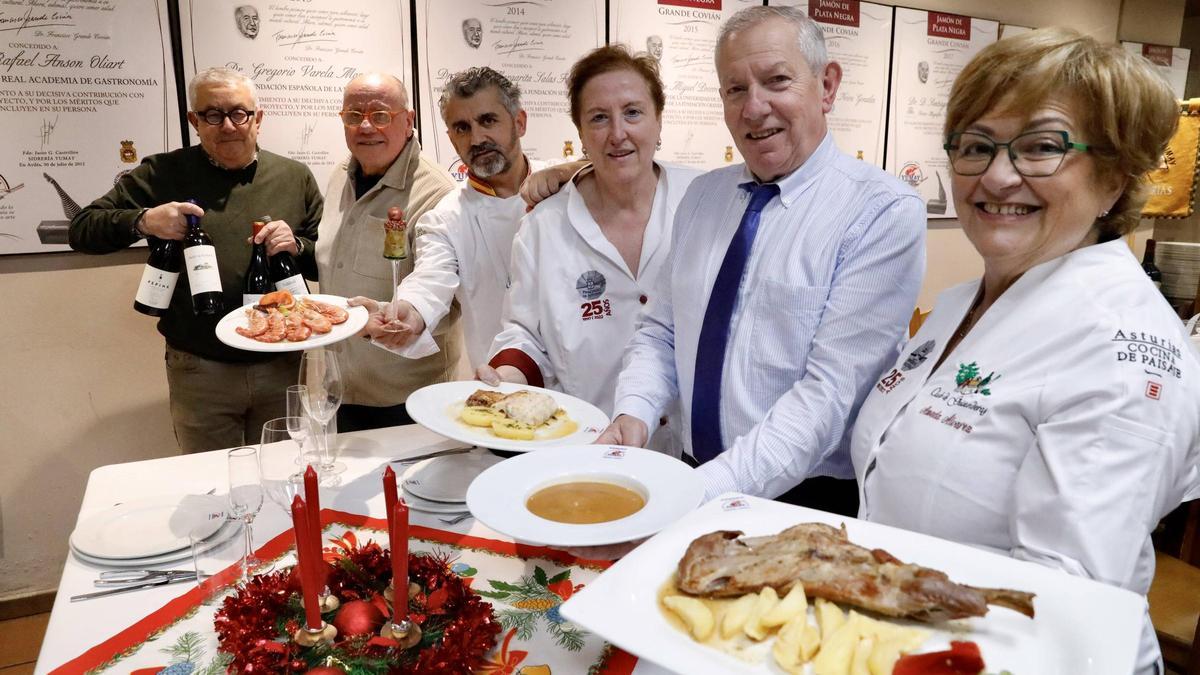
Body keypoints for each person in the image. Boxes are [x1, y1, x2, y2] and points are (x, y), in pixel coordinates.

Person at [849, 28, 1200, 674]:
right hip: (907, 641)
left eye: (1042, 146)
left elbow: (1060, 608)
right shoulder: (960, 304)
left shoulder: (1122, 350)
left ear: (1115, 177)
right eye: (977, 145)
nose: (998, 175)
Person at [597, 6, 926, 511]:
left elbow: (827, 396)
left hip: (804, 500)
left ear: (827, 86)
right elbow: (663, 330)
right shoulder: (703, 198)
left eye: (776, 81)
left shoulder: (881, 212)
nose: (754, 108)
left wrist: (699, 491)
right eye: (735, 89)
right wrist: (633, 413)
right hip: (693, 470)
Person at [68, 67, 322, 452]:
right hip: (200, 369)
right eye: (213, 115)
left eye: (239, 113)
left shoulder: (295, 177)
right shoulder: (161, 173)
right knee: (208, 479)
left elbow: (325, 260)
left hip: (281, 363)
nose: (228, 125)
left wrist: (298, 247)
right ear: (194, 121)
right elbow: (82, 229)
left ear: (258, 118)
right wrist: (143, 220)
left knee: (284, 471)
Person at [475, 45, 700, 440]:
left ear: (659, 120)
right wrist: (506, 377)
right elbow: (525, 333)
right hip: (592, 441)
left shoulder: (703, 200)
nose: (618, 133)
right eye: (599, 118)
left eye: (633, 112)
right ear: (580, 132)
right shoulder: (544, 227)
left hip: (698, 450)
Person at [361, 67, 581, 369]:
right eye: (462, 128)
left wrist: (574, 170)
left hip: (588, 379)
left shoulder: (571, 183)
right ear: (451, 139)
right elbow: (429, 280)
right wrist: (407, 312)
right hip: (504, 380)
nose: (477, 138)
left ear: (519, 122)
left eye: (488, 120)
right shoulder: (444, 219)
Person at [318, 72, 458, 432]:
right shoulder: (339, 176)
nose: (366, 126)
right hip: (342, 389)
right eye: (353, 115)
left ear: (408, 121)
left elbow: (450, 297)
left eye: (380, 115)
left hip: (409, 400)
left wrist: (407, 316)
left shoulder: (437, 193)